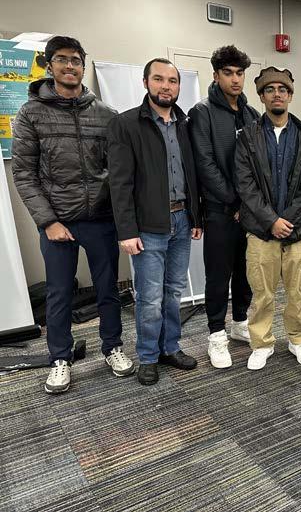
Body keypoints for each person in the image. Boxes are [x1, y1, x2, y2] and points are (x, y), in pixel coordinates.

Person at [12, 36, 133, 394]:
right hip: (57, 222)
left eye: (76, 60)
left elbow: (118, 171)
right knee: (59, 293)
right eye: (62, 59)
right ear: (49, 65)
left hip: (101, 220)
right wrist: (48, 221)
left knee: (108, 289)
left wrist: (122, 217)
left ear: (82, 65)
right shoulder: (31, 113)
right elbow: (24, 173)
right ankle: (60, 359)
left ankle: (113, 347)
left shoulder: (106, 114)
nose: (70, 66)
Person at [107, 58, 202, 385]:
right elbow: (120, 183)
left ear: (178, 86)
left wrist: (196, 216)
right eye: (159, 79)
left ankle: (169, 348)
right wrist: (127, 231)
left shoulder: (185, 123)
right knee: (149, 298)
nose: (166, 86)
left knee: (173, 292)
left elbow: (192, 174)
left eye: (172, 81)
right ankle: (148, 356)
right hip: (148, 226)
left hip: (182, 219)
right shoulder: (126, 124)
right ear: (146, 82)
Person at [235, 66, 301, 370]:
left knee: (298, 293)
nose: (277, 94)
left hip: (299, 231)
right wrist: (271, 221)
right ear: (261, 96)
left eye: (282, 90)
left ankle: (298, 340)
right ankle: (261, 343)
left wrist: (286, 220)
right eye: (270, 90)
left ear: (290, 96)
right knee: (262, 293)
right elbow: (245, 184)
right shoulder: (247, 137)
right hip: (261, 231)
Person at [188, 46, 259, 369]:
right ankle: (216, 334)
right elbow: (205, 164)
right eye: (228, 73)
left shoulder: (251, 113)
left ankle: (240, 321)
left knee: (245, 270)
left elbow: (259, 164)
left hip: (248, 211)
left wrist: (248, 204)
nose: (235, 79)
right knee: (218, 275)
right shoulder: (201, 112)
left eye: (239, 73)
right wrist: (233, 201)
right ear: (216, 75)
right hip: (220, 210)